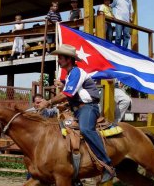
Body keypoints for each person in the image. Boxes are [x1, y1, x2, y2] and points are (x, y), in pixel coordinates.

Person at [38, 44, 115, 183]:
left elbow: (67, 94)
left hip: (88, 108)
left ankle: (107, 164)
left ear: (68, 59)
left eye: (61, 57)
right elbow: (70, 89)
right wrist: (62, 84)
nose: (59, 60)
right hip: (76, 109)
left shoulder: (76, 72)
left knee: (86, 129)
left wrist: (48, 103)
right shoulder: (70, 75)